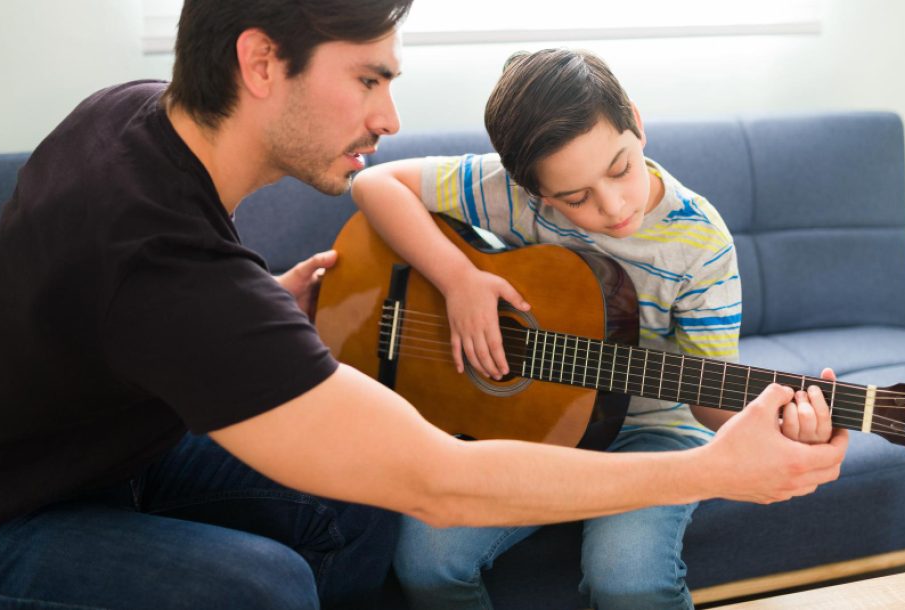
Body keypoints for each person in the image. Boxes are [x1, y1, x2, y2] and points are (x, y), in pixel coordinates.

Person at [0, 2, 847, 609]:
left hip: (102, 440)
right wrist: (716, 470)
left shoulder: (127, 117)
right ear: (261, 61)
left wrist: (250, 321)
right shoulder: (171, 272)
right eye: (368, 79)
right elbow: (439, 480)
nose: (391, 116)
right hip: (0, 508)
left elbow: (129, 312)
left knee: (355, 512)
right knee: (264, 588)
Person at [349, 48, 842, 610]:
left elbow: (709, 396)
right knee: (427, 561)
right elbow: (375, 185)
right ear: (532, 190)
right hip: (528, 428)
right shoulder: (505, 193)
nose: (613, 206)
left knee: (628, 581)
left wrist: (782, 423)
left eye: (621, 168)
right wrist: (459, 280)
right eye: (575, 198)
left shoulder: (700, 242)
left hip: (652, 436)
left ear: (636, 121)